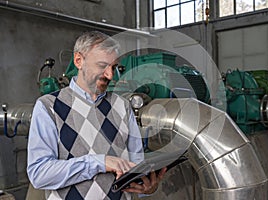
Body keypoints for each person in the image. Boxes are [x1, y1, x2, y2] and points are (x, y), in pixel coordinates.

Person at [27, 31, 166, 200]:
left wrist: (146, 187)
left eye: (113, 67)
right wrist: (98, 162)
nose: (110, 75)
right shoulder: (49, 106)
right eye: (102, 65)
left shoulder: (123, 106)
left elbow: (135, 165)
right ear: (79, 61)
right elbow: (39, 174)